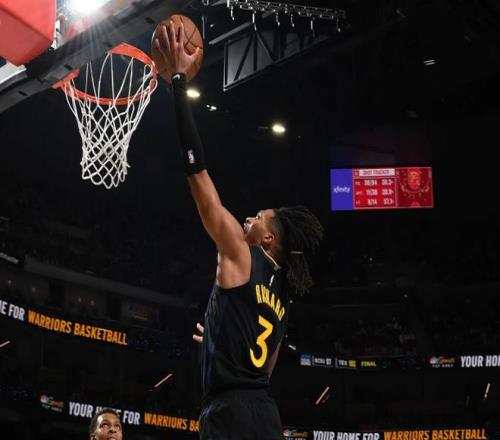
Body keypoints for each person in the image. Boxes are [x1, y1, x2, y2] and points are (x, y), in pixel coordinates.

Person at [154, 21, 323, 440]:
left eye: (258, 218)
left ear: (268, 239)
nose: (249, 218)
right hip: (265, 415)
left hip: (228, 412)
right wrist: (221, 334)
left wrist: (178, 84)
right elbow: (264, 367)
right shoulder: (282, 299)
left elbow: (197, 174)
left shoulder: (241, 252)